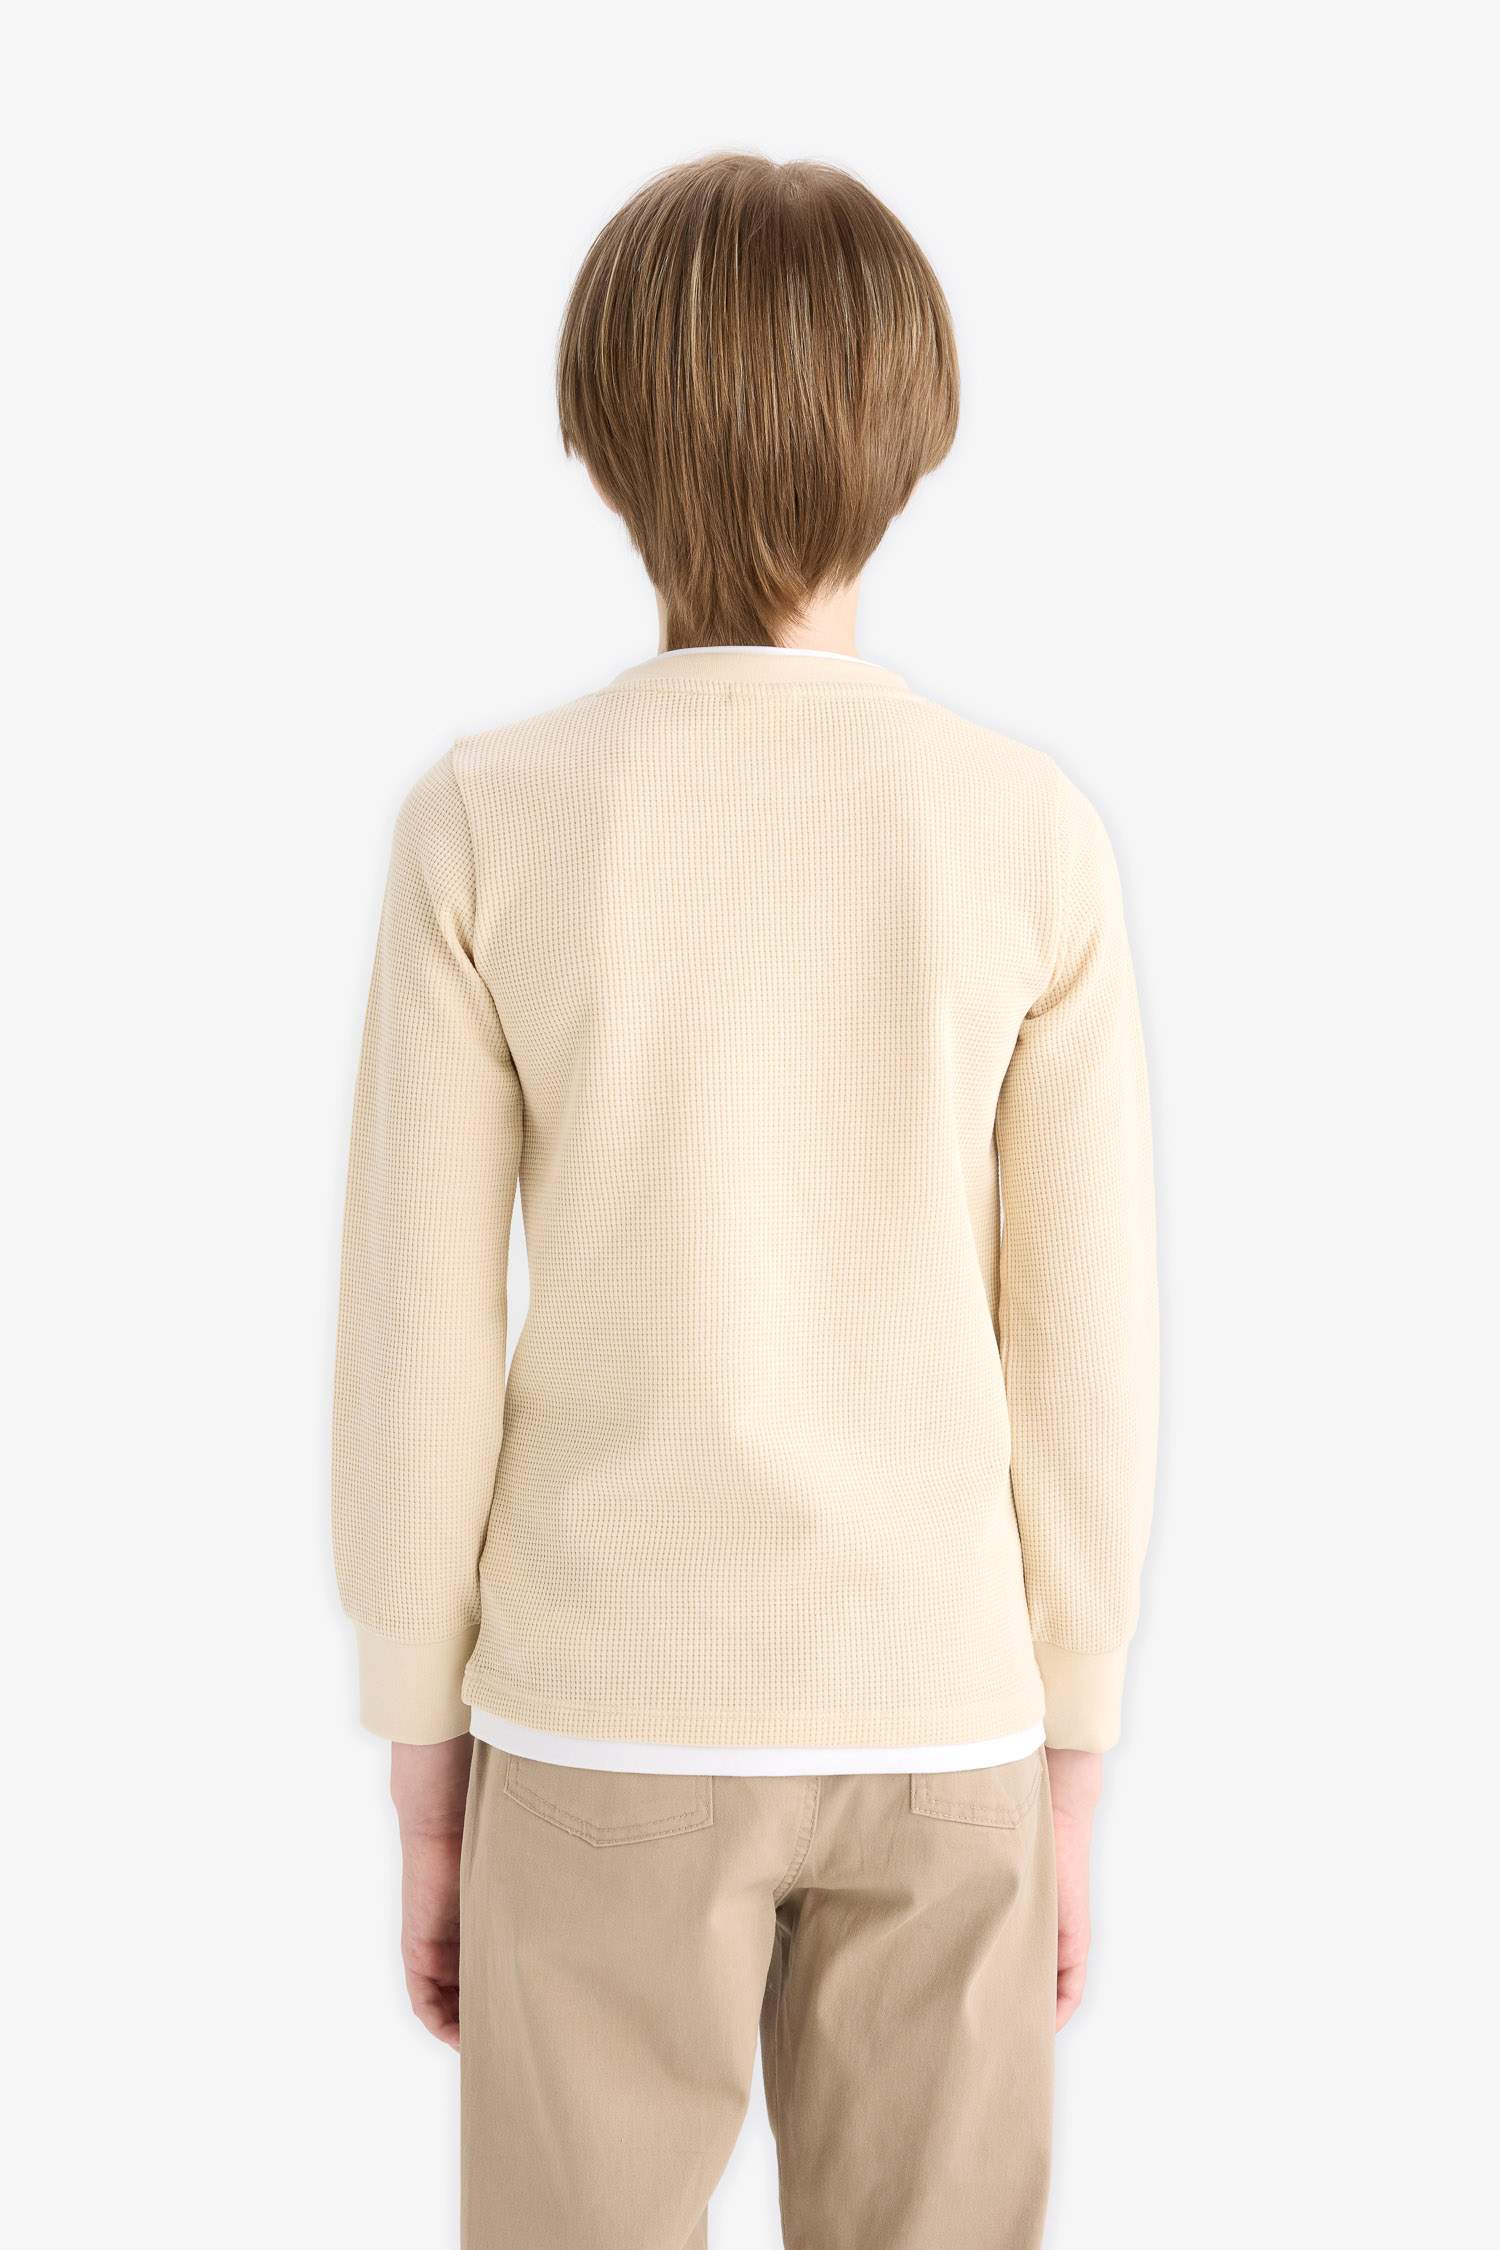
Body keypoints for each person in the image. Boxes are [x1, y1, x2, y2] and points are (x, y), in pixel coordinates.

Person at [333, 152, 1157, 2250]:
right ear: (912, 431)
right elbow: (1086, 1352)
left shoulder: (488, 823)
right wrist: (1072, 1755)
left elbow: (417, 1340)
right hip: (940, 1708)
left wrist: (425, 1766)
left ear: (607, 437)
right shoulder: (1027, 833)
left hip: (600, 1714)